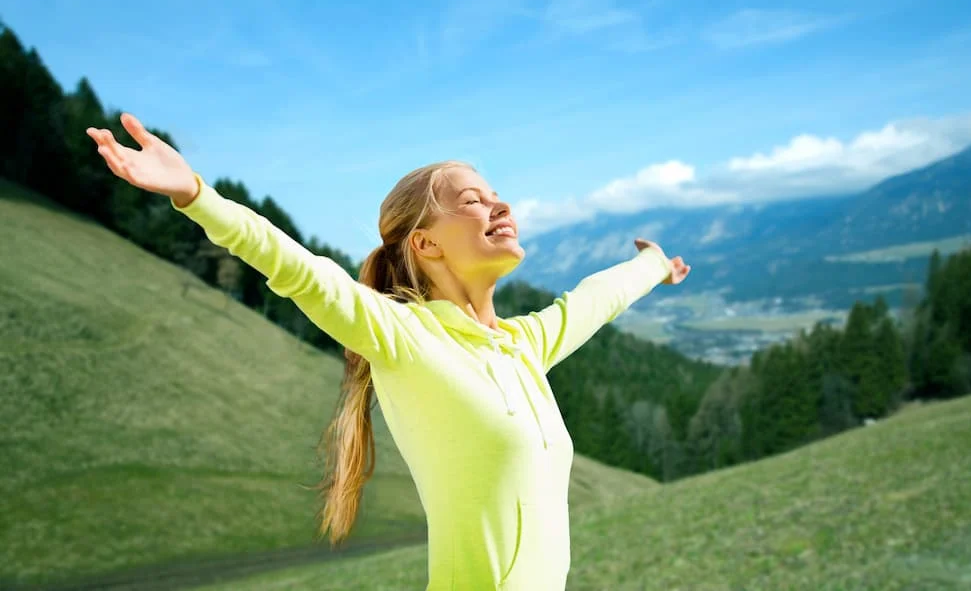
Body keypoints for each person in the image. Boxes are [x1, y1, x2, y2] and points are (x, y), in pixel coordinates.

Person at [86, 113, 691, 590]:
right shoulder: (402, 337)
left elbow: (596, 298)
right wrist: (195, 193)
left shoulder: (524, 346)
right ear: (425, 243)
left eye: (497, 195)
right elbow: (298, 269)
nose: (500, 206)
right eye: (473, 200)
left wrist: (653, 264)